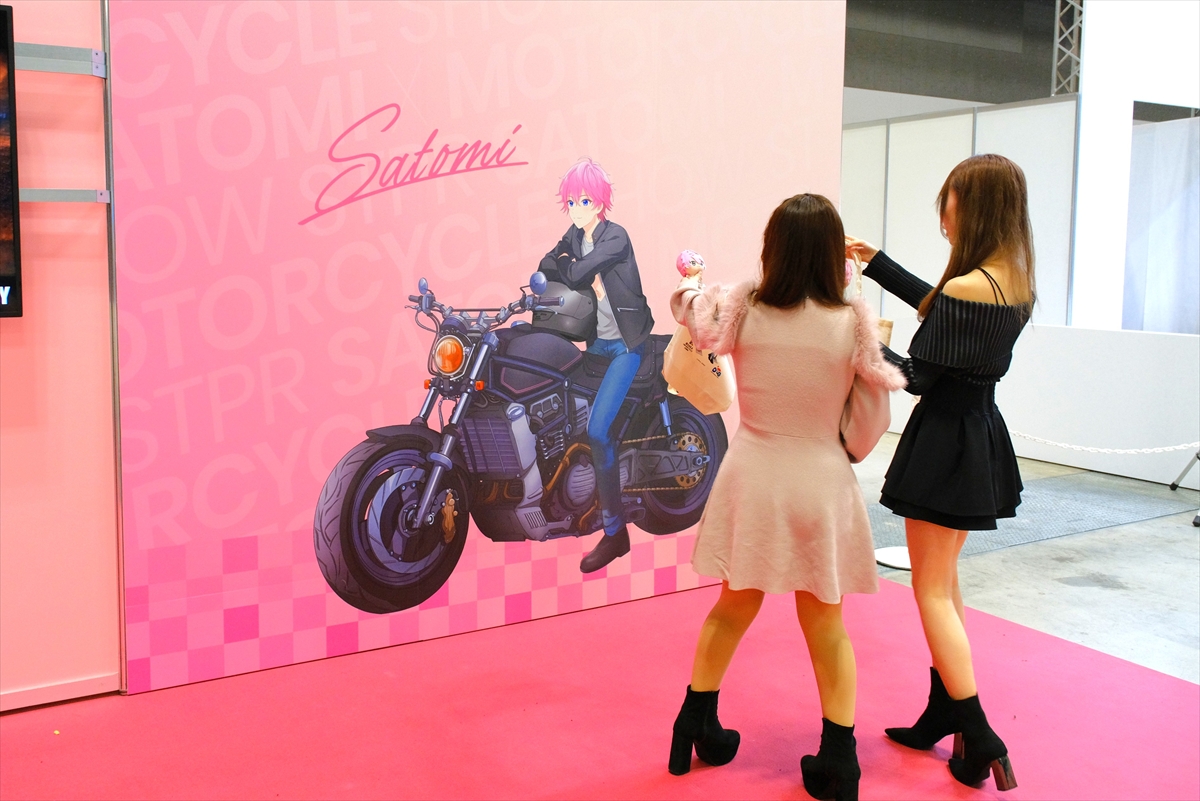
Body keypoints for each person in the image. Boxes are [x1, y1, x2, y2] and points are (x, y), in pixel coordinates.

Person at [668, 194, 904, 801]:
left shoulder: (743, 308)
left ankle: (693, 722)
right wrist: (843, 446)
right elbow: (871, 421)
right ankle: (839, 760)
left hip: (753, 474)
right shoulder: (852, 322)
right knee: (827, 624)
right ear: (831, 253)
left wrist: (691, 287)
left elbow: (691, 312)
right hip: (820, 480)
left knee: (731, 606)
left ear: (772, 248)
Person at [845, 153, 1034, 792]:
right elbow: (948, 317)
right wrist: (878, 263)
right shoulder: (1012, 280)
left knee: (929, 590)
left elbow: (917, 375)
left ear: (973, 208)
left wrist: (855, 333)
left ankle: (979, 732)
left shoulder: (965, 288)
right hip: (978, 436)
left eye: (948, 204)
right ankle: (943, 711)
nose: (943, 217)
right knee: (945, 585)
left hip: (942, 444)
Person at [538, 158, 654, 573]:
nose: (577, 209)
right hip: (597, 344)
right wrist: (565, 261)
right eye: (571, 201)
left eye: (585, 201)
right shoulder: (574, 235)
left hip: (626, 346)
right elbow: (546, 265)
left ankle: (615, 532)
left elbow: (576, 271)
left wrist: (569, 264)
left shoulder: (615, 236)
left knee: (599, 431)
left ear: (601, 202)